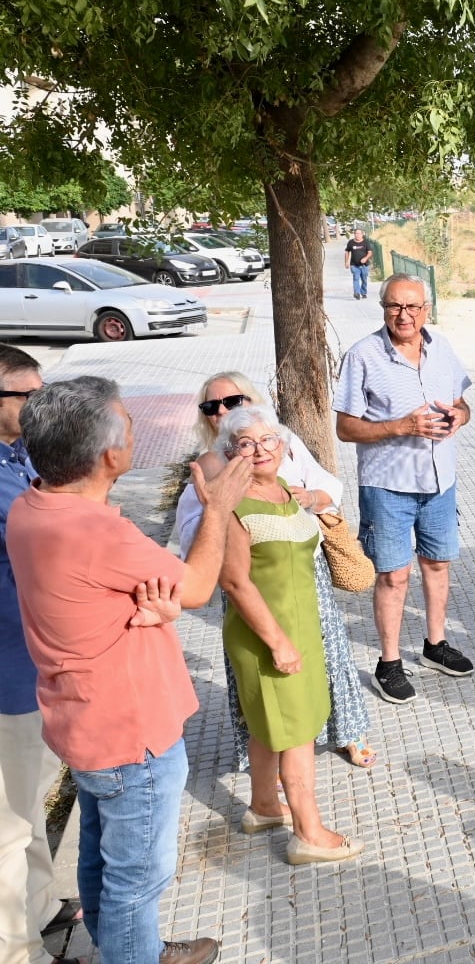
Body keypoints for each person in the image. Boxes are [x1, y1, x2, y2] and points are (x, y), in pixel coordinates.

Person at [8, 376, 252, 964]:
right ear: (110, 454)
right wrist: (218, 505)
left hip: (86, 724)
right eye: (129, 422)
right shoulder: (96, 531)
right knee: (135, 883)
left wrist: (145, 600)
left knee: (100, 856)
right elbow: (194, 586)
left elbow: (119, 588)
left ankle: (132, 949)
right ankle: (134, 951)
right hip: (132, 735)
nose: (135, 429)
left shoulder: (30, 503)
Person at [174, 372, 376, 769]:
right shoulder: (212, 463)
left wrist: (308, 498)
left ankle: (346, 732)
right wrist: (223, 515)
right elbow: (191, 534)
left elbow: (329, 488)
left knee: (328, 654)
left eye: (231, 401)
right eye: (210, 406)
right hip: (253, 577)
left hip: (305, 569)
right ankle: (273, 763)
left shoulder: (284, 442)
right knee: (266, 667)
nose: (221, 411)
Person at [215, 406, 362, 866]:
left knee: (272, 727)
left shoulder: (283, 489)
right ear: (229, 453)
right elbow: (234, 582)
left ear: (283, 448)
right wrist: (277, 642)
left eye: (268, 441)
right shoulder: (233, 503)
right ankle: (308, 833)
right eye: (246, 443)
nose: (259, 450)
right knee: (295, 733)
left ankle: (263, 808)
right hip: (266, 636)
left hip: (303, 630)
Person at [334, 273, 474, 704]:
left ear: (426, 309)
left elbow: (464, 403)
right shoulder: (362, 356)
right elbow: (344, 428)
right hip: (388, 486)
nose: (404, 314)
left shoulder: (442, 349)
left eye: (413, 307)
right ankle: (388, 663)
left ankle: (435, 646)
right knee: (394, 576)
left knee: (438, 564)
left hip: (439, 481)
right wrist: (402, 426)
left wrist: (458, 418)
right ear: (383, 309)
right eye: (395, 306)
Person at [0, 347, 79, 964]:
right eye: (26, 396)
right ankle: (18, 950)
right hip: (6, 675)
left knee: (31, 802)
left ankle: (44, 907)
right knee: (8, 825)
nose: (39, 404)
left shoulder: (21, 457)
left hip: (36, 668)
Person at [344, 228, 372, 300]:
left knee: (364, 279)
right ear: (354, 234)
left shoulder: (366, 242)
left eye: (359, 233)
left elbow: (370, 253)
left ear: (362, 234)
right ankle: (357, 293)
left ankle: (363, 292)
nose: (357, 235)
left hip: (364, 265)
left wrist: (365, 258)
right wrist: (346, 262)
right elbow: (347, 252)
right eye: (356, 233)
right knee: (356, 278)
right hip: (354, 265)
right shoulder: (351, 242)